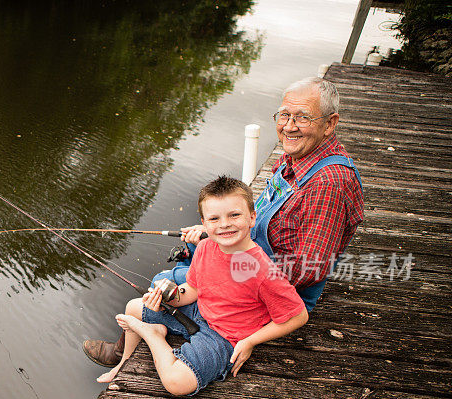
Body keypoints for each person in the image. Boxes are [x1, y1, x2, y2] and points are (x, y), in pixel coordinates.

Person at [84, 76, 363, 368]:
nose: (289, 126)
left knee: (163, 281)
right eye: (284, 115)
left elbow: (310, 268)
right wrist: (217, 235)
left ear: (330, 123)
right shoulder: (296, 156)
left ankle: (134, 350)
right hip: (253, 258)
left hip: (272, 288)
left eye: (303, 117)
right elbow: (265, 215)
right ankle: (149, 337)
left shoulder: (328, 183)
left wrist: (229, 273)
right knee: (190, 261)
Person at [96, 176, 308, 394]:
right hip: (201, 312)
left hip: (226, 336)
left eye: (234, 215)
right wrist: (169, 297)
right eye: (214, 219)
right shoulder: (206, 247)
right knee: (133, 307)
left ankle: (153, 334)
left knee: (176, 384)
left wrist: (250, 342)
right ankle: (122, 366)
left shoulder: (262, 271)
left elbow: (298, 316)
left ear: (252, 218)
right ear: (204, 223)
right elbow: (193, 290)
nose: (225, 224)